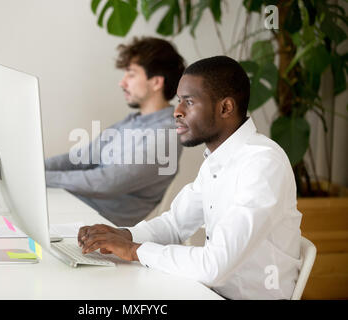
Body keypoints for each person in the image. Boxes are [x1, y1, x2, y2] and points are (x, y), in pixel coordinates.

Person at [78, 56, 303, 300]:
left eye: (189, 102)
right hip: (209, 292)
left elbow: (213, 266)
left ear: (225, 108)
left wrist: (134, 251)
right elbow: (175, 225)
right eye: (178, 101)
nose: (177, 111)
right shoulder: (218, 160)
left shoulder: (262, 164)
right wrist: (124, 235)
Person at [45, 37, 185, 227]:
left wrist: (40, 178)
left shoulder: (166, 135)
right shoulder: (131, 122)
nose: (122, 83)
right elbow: (79, 158)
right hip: (72, 206)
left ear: (156, 82)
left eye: (131, 74)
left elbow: (108, 182)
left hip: (95, 224)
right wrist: (32, 169)